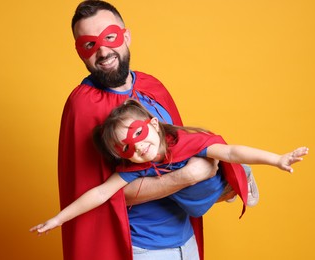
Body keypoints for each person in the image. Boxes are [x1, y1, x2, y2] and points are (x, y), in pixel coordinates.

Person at [53, 1, 221, 259]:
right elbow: (105, 193)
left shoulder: (152, 87)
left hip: (185, 239)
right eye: (90, 44)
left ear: (126, 35)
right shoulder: (84, 104)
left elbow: (179, 150)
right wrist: (188, 176)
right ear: (80, 52)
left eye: (110, 37)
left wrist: (218, 180)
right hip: (141, 249)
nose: (103, 50)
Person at [30, 99, 308, 236]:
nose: (137, 148)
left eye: (137, 135)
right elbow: (101, 193)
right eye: (125, 148)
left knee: (224, 165)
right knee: (186, 197)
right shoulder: (136, 167)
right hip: (195, 202)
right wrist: (59, 219)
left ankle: (238, 181)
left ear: (152, 125)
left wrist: (278, 159)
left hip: (216, 180)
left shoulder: (189, 142)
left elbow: (233, 150)